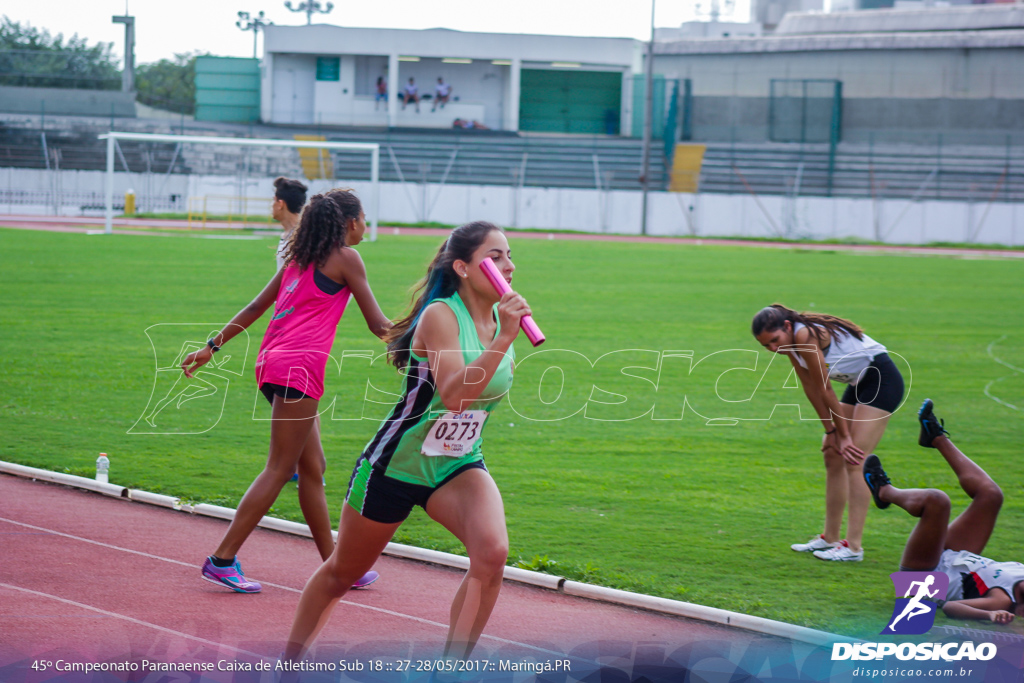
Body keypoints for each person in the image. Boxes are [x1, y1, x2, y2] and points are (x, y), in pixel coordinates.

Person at [284, 221, 531, 661]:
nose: (509, 267)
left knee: (492, 555)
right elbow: (454, 396)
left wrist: (504, 332)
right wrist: (507, 338)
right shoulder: (441, 315)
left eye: (510, 256)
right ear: (463, 267)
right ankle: (289, 664)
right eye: (495, 257)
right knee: (342, 573)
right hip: (395, 465)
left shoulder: (499, 318)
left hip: (456, 463)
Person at [181, 189, 390, 593]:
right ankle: (222, 559)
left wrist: (212, 347)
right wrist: (427, 335)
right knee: (280, 468)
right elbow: (378, 325)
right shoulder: (348, 259)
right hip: (299, 368)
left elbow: (256, 306)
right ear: (349, 223)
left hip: (271, 363)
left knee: (313, 469)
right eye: (364, 218)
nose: (366, 226)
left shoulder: (299, 258)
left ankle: (337, 564)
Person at [752, 304, 905, 562]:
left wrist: (843, 436)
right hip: (859, 381)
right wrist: (831, 431)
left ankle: (853, 547)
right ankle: (829, 537)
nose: (773, 349)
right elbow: (810, 387)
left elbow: (826, 390)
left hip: (881, 378)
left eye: (775, 340)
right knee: (832, 454)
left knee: (854, 457)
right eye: (766, 346)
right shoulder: (790, 345)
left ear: (787, 327)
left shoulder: (804, 336)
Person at [864, 400, 1024, 624]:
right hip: (956, 557)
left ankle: (884, 491)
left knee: (937, 501)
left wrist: (988, 615)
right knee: (991, 495)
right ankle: (935, 437)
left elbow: (951, 607)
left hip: (923, 577)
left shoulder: (1001, 601)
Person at [272, 177, 307, 272]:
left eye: (273, 200)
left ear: (280, 204)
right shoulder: (289, 234)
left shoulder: (303, 237)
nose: (271, 205)